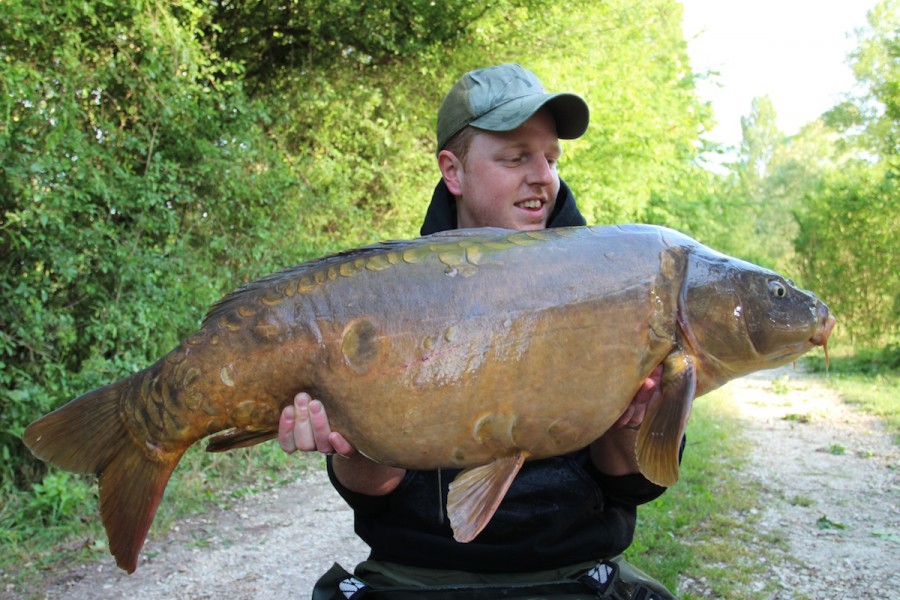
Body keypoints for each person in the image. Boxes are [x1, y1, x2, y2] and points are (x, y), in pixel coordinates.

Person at [278, 64, 679, 600]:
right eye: (516, 158)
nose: (544, 176)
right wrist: (353, 446)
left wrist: (627, 422)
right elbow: (375, 495)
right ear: (453, 171)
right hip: (414, 577)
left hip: (573, 572)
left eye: (552, 158)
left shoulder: (616, 284)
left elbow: (629, 485)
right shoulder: (393, 294)